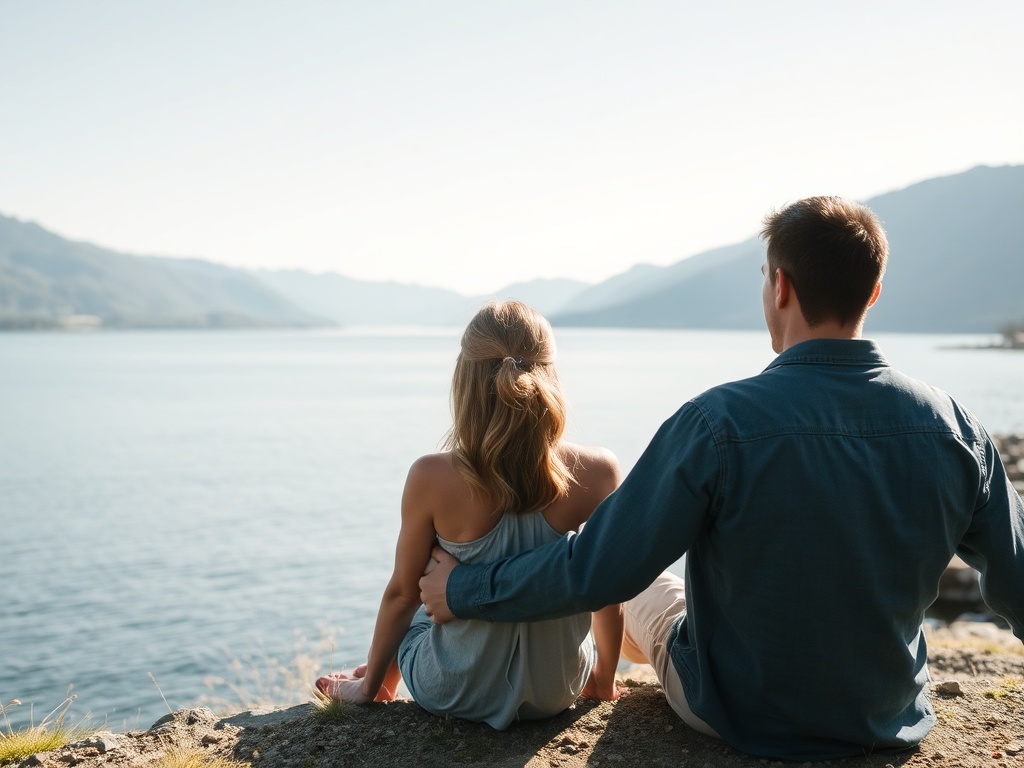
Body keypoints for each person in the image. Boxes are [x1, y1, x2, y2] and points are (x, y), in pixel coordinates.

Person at [419, 197, 1024, 760]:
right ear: (873, 294)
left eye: (765, 277)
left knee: (645, 588)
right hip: (882, 717)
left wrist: (465, 589)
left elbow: (597, 570)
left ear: (780, 285)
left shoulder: (717, 424)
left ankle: (590, 680)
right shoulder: (955, 430)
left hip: (738, 713)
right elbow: (1017, 577)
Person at [316, 300, 623, 729]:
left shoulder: (431, 476)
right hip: (557, 690)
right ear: (550, 374)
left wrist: (363, 693)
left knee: (423, 579)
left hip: (453, 692)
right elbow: (608, 588)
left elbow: (402, 596)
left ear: (464, 379)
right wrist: (603, 680)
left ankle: (379, 683)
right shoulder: (599, 470)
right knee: (594, 561)